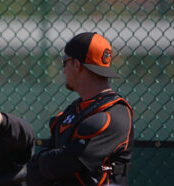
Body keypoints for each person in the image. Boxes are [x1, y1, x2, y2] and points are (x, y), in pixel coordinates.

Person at [26, 32, 134, 186]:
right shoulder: (74, 110)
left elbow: (64, 163)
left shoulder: (114, 113)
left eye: (64, 62)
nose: (63, 70)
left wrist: (44, 162)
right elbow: (42, 167)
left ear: (77, 65)